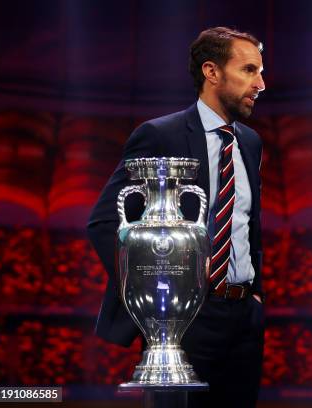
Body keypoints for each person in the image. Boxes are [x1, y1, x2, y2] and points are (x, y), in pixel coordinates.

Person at [87, 26, 266, 407]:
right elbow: (105, 222)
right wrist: (155, 291)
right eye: (249, 70)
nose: (261, 83)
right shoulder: (158, 134)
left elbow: (248, 226)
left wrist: (257, 298)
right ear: (211, 72)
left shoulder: (250, 142)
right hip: (185, 321)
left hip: (243, 319)